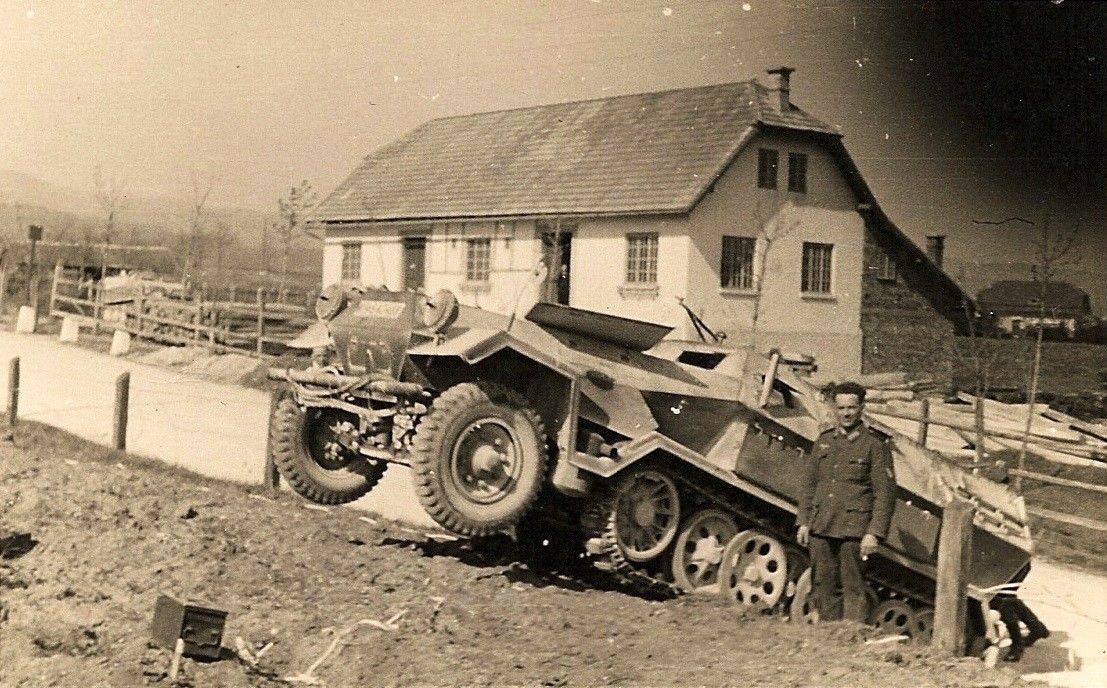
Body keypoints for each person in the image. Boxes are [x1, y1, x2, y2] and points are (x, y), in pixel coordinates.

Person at [796, 381, 896, 622]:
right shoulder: (824, 441)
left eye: (851, 407)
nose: (846, 413)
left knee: (853, 585)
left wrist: (874, 533)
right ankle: (828, 633)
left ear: (862, 408)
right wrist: (804, 521)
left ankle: (851, 634)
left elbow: (885, 494)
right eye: (841, 408)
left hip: (854, 530)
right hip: (821, 525)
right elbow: (810, 485)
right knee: (822, 583)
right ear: (834, 409)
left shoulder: (874, 446)